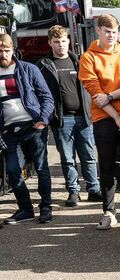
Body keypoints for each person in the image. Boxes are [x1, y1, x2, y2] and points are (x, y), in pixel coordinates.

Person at [78, 14, 120, 230]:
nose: (111, 36)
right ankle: (109, 211)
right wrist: (115, 117)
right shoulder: (88, 58)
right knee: (106, 165)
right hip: (104, 117)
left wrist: (112, 96)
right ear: (98, 30)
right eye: (107, 31)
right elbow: (95, 93)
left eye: (114, 32)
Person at [37, 25, 101, 208]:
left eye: (64, 41)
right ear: (50, 43)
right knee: (67, 158)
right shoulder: (44, 65)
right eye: (56, 42)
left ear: (69, 41)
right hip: (62, 119)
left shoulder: (79, 61)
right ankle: (73, 191)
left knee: (88, 155)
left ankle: (93, 189)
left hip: (84, 117)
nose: (61, 45)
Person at [0, 34, 55, 225]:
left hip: (33, 126)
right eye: (0, 51)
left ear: (13, 50)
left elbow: (46, 97)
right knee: (14, 170)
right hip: (8, 131)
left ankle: (46, 207)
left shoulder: (28, 69)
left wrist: (43, 120)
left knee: (41, 167)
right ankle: (25, 208)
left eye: (6, 50)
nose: (3, 54)